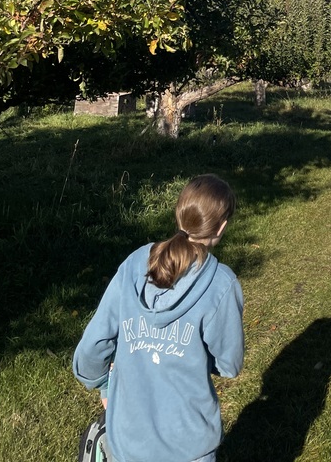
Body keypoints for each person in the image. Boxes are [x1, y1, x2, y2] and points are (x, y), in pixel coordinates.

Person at [73, 174, 244, 462]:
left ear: (178, 213)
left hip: (126, 441)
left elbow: (94, 344)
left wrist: (104, 385)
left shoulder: (135, 263)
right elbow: (229, 364)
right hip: (189, 448)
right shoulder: (221, 284)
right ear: (222, 227)